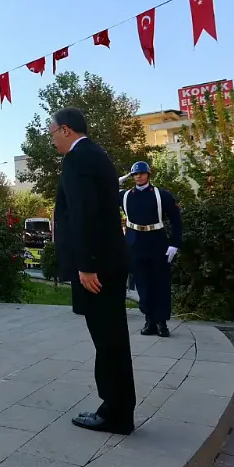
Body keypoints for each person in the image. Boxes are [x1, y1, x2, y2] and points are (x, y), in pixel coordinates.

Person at [51, 107, 136, 435]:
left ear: (67, 130)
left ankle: (115, 412)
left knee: (108, 339)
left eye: (53, 133)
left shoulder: (78, 160)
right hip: (107, 263)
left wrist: (86, 265)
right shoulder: (94, 155)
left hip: (97, 268)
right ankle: (117, 408)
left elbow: (84, 214)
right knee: (112, 338)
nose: (53, 139)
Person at [118, 161, 182, 337]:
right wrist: (120, 180)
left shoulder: (162, 195)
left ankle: (162, 323)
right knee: (143, 284)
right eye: (134, 174)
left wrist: (175, 244)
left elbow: (176, 220)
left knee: (160, 283)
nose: (138, 176)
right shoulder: (125, 196)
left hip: (157, 242)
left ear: (148, 175)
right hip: (135, 244)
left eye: (141, 173)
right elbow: (104, 192)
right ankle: (149, 321)